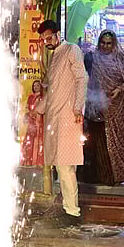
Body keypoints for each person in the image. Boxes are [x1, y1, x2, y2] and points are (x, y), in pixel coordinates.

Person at [35, 20, 88, 226]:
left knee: (66, 167)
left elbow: (82, 79)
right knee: (60, 165)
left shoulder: (71, 50)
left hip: (68, 117)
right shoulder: (54, 56)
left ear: (58, 34)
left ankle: (73, 212)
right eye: (43, 40)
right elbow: (52, 92)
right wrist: (37, 111)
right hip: (55, 119)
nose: (46, 42)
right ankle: (68, 208)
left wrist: (77, 108)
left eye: (49, 38)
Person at [81, 30, 124, 186]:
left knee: (116, 144)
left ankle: (115, 176)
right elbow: (84, 80)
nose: (105, 46)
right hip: (96, 107)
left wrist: (119, 89)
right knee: (96, 143)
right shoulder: (92, 58)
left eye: (108, 43)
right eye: (102, 43)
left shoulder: (120, 59)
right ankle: (98, 177)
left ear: (114, 44)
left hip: (117, 109)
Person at [20, 80, 44, 166]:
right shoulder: (30, 97)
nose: (36, 87)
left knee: (38, 141)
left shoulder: (42, 97)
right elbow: (27, 109)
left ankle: (37, 162)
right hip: (31, 122)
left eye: (37, 85)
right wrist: (27, 115)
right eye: (34, 86)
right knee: (29, 141)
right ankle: (28, 162)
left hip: (39, 122)